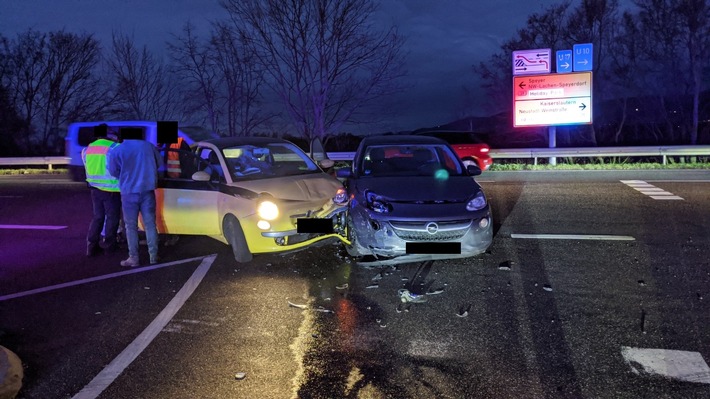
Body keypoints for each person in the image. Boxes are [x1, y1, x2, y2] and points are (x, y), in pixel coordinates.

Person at [108, 128, 163, 267]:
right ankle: (153, 256)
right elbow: (159, 163)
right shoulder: (149, 146)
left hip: (128, 191)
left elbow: (113, 171)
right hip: (147, 190)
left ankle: (134, 258)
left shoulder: (118, 150)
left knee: (131, 226)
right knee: (150, 224)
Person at [82, 125, 121, 256]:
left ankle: (91, 247)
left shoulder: (87, 149)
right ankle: (110, 247)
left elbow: (86, 166)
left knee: (98, 217)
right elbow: (117, 168)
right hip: (111, 188)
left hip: (94, 188)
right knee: (112, 218)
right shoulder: (113, 148)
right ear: (109, 134)